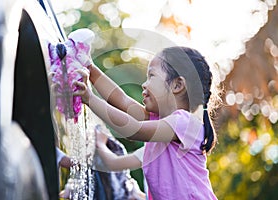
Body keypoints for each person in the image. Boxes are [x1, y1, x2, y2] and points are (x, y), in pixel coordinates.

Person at [75, 46, 219, 199]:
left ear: (177, 85)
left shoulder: (185, 123)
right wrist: (90, 68)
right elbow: (122, 100)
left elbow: (133, 129)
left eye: (151, 76)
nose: (144, 84)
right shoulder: (158, 120)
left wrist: (90, 99)